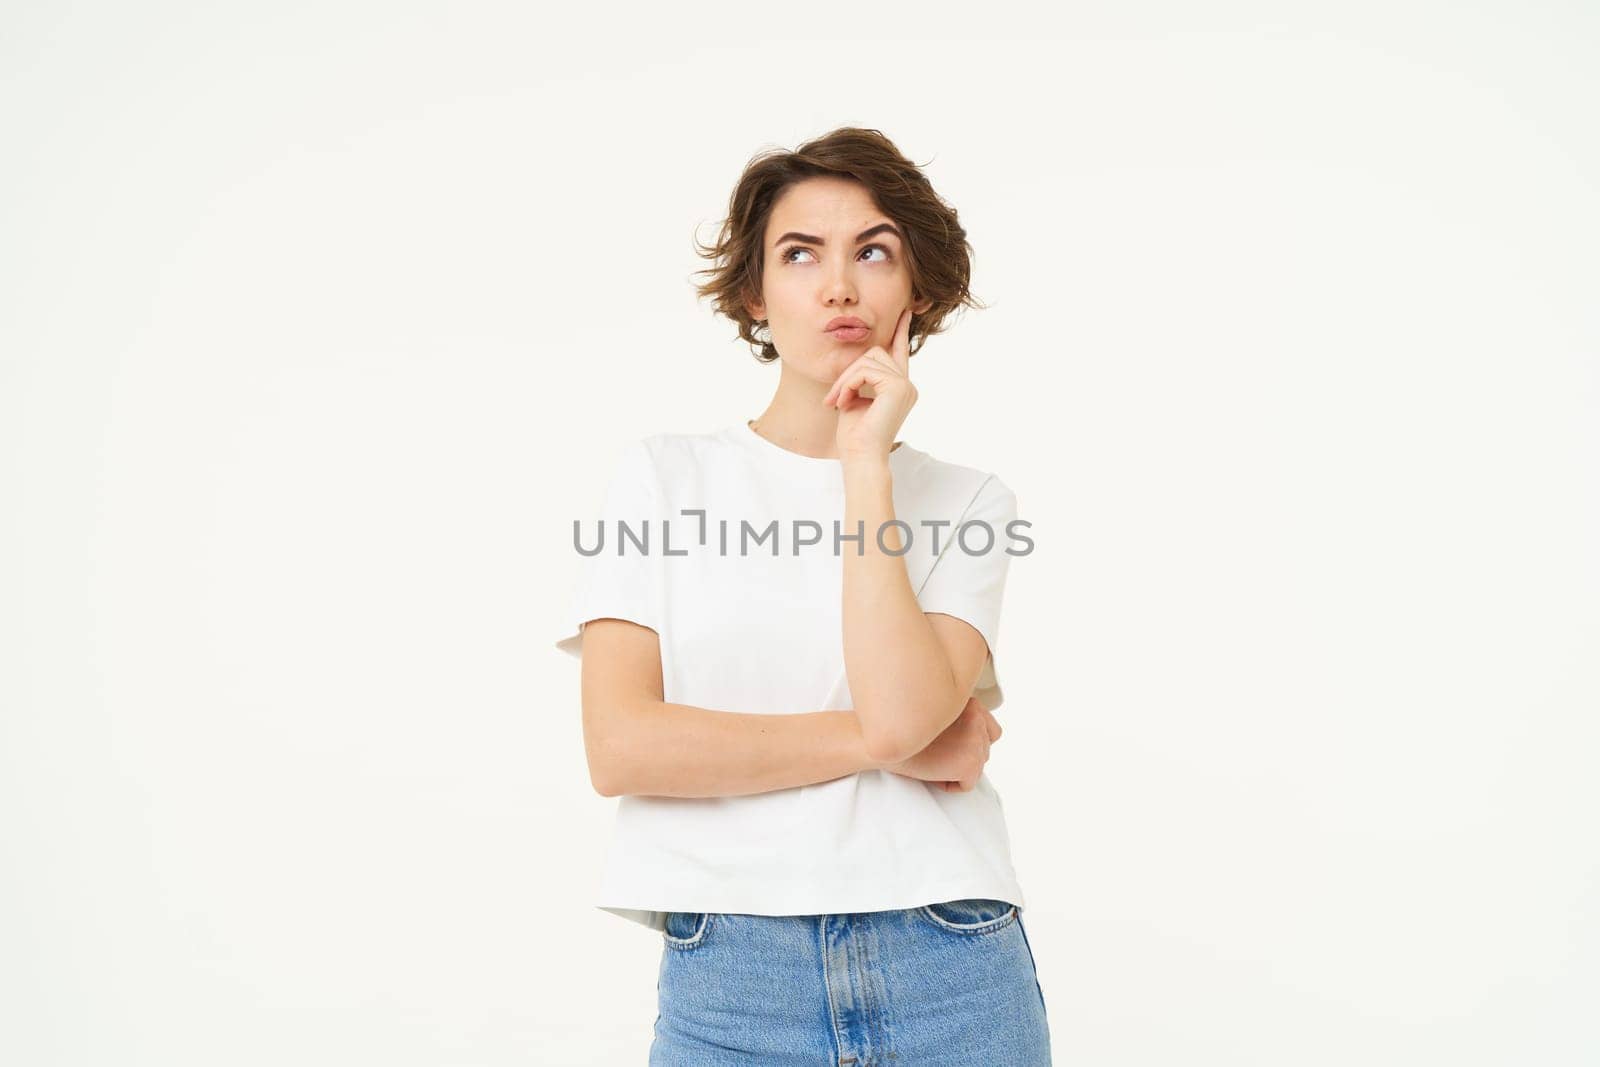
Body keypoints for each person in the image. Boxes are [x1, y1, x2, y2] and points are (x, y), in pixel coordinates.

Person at [555, 127, 1051, 1065]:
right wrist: (883, 744)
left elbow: (906, 710)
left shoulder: (969, 500)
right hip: (734, 983)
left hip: (949, 956)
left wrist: (865, 463)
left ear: (919, 292)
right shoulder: (662, 480)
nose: (838, 287)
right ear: (755, 292)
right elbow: (622, 746)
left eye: (874, 252)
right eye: (799, 254)